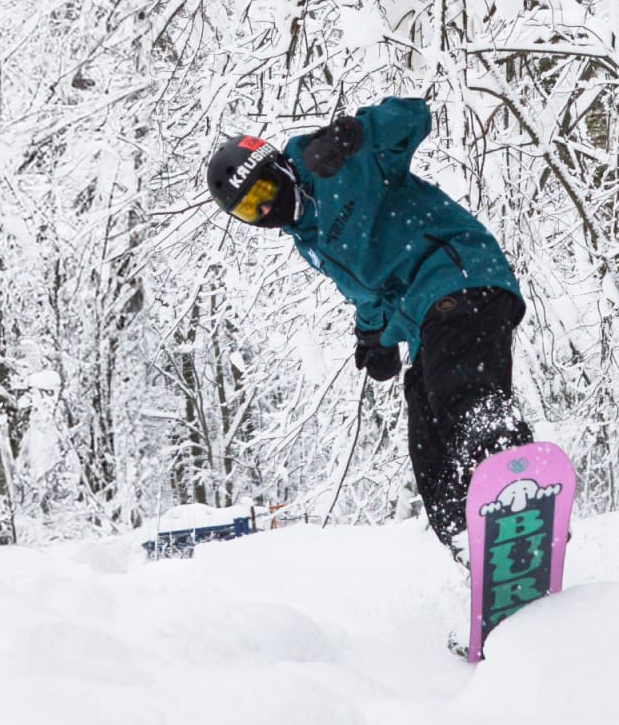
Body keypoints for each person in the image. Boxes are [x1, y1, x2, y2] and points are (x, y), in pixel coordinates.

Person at [206, 95, 532, 560]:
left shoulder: (335, 167)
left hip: (460, 276)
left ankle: (513, 474)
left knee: (459, 391)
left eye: (261, 193)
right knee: (429, 444)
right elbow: (367, 290)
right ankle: (474, 547)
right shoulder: (309, 238)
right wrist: (373, 335)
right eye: (247, 210)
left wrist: (353, 135)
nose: (263, 211)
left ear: (275, 168)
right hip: (424, 316)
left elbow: (415, 117)